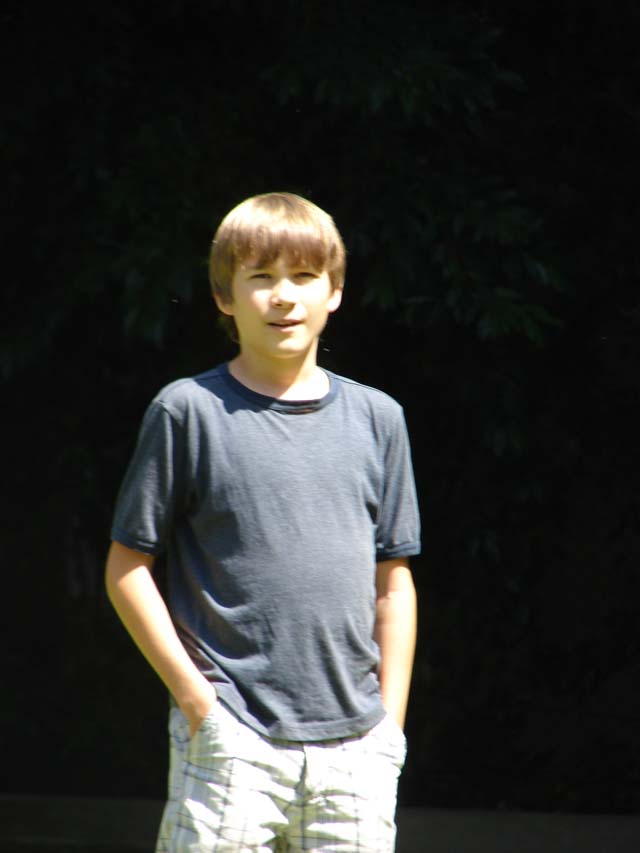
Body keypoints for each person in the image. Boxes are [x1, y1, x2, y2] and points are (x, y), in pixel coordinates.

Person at [105, 192, 420, 852]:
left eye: (304, 276)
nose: (284, 296)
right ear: (225, 296)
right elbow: (127, 569)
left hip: (358, 750)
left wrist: (388, 728)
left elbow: (393, 584)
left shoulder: (379, 419)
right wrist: (200, 706)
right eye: (261, 276)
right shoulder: (187, 412)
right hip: (231, 740)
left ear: (334, 292)